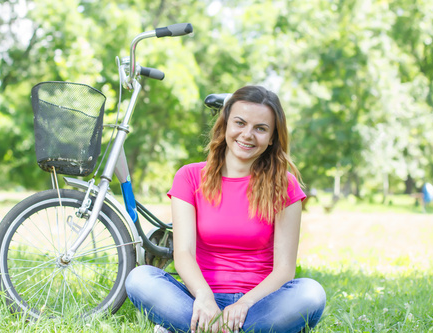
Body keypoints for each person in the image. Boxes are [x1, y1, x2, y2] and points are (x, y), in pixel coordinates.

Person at [125, 86, 326, 333]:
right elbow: (184, 253)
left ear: (272, 136)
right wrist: (205, 298)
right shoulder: (189, 177)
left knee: (311, 293)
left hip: (259, 304)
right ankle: (216, 325)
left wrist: (244, 303)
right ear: (226, 125)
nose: (248, 135)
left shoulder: (284, 185)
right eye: (240, 123)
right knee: (140, 279)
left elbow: (284, 269)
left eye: (261, 128)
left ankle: (196, 329)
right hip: (198, 299)